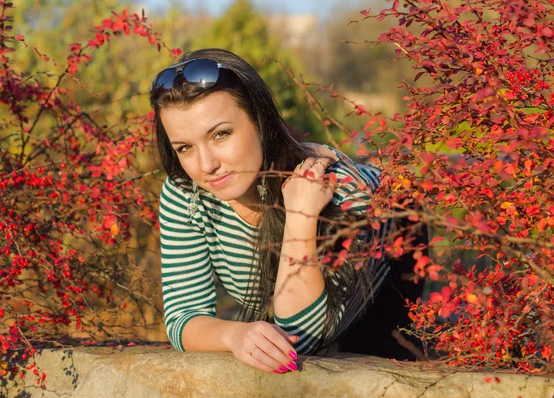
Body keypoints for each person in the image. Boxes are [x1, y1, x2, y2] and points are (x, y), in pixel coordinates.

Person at [151, 48, 425, 375]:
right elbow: (183, 315)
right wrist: (234, 334)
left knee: (369, 359)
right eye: (185, 147)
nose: (206, 165)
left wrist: (301, 216)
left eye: (220, 134)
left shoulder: (346, 195)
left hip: (395, 249)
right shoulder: (187, 192)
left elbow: (305, 337)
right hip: (299, 296)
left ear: (260, 121)